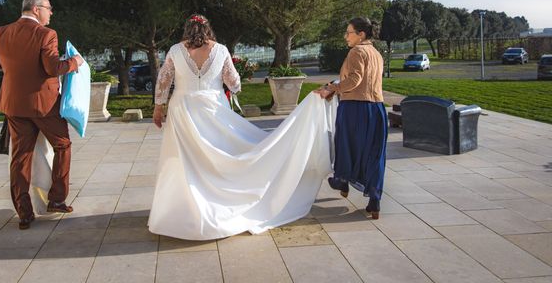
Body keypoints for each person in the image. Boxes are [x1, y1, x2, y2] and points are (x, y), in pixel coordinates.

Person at [148, 14, 336, 240]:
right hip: (213, 107)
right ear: (208, 29)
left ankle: (184, 210)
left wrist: (159, 107)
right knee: (217, 155)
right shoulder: (221, 50)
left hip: (183, 108)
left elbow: (163, 80)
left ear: (187, 29)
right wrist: (235, 86)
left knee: (183, 161)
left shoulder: (175, 51)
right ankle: (218, 200)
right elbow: (234, 82)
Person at [0, 0, 84, 229]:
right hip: (44, 105)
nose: (51, 13)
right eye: (49, 8)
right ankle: (57, 199)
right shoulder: (46, 34)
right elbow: (53, 68)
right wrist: (75, 62)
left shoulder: (0, 32)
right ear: (36, 8)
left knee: (20, 158)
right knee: (63, 145)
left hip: (14, 105)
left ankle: (24, 213)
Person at [315, 17, 387, 219]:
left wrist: (332, 88)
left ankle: (341, 180)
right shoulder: (376, 54)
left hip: (355, 107)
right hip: (377, 109)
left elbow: (354, 80)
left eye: (349, 32)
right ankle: (375, 201)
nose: (346, 36)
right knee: (374, 154)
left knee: (345, 145)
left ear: (361, 34)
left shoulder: (357, 51)